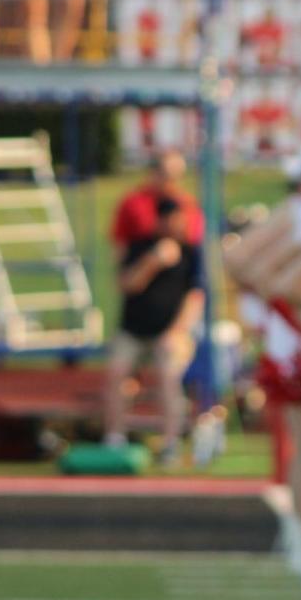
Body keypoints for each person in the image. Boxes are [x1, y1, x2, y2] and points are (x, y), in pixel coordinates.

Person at [104, 150, 204, 463]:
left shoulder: (190, 247)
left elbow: (196, 294)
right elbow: (124, 279)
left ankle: (170, 442)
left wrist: (177, 330)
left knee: (167, 372)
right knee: (117, 371)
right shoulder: (140, 234)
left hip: (168, 328)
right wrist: (153, 261)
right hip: (134, 325)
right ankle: (114, 437)